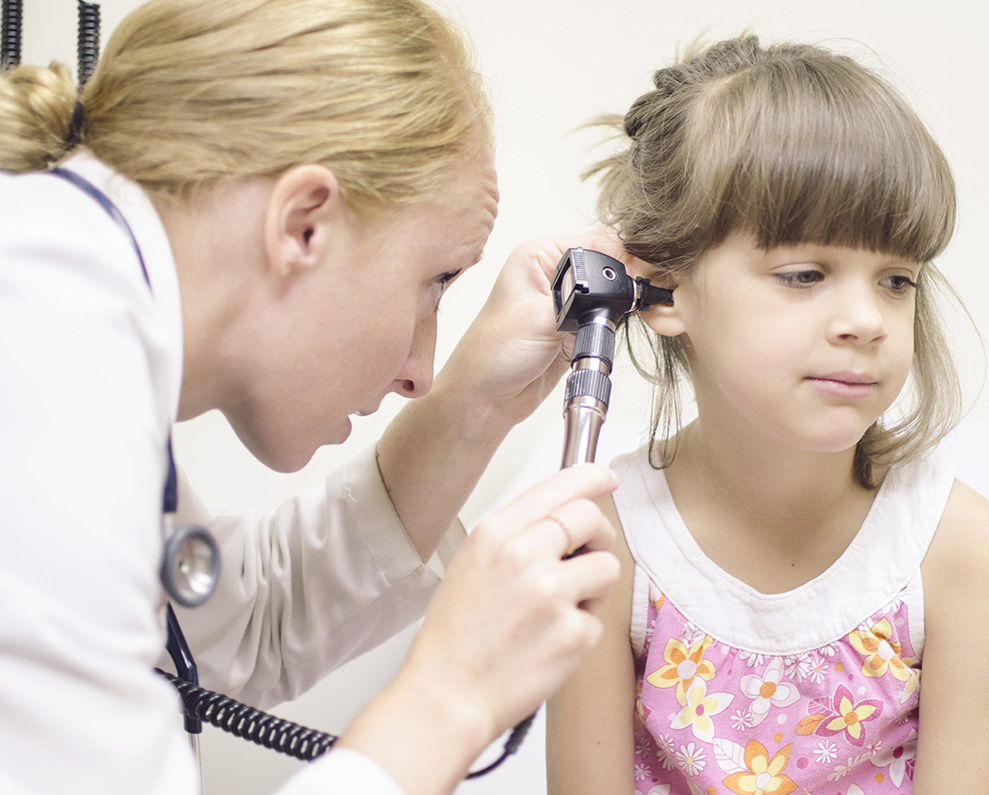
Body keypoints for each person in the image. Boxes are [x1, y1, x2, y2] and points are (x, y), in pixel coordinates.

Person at [0, 0, 622, 793]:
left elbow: (236, 635)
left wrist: (478, 402)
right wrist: (450, 698)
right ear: (302, 226)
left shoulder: (67, 311)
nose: (419, 371)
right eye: (433, 283)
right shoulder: (43, 374)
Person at [546, 35, 989, 795]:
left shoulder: (962, 554)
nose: (867, 320)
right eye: (805, 274)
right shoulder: (606, 544)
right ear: (662, 288)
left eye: (897, 279)